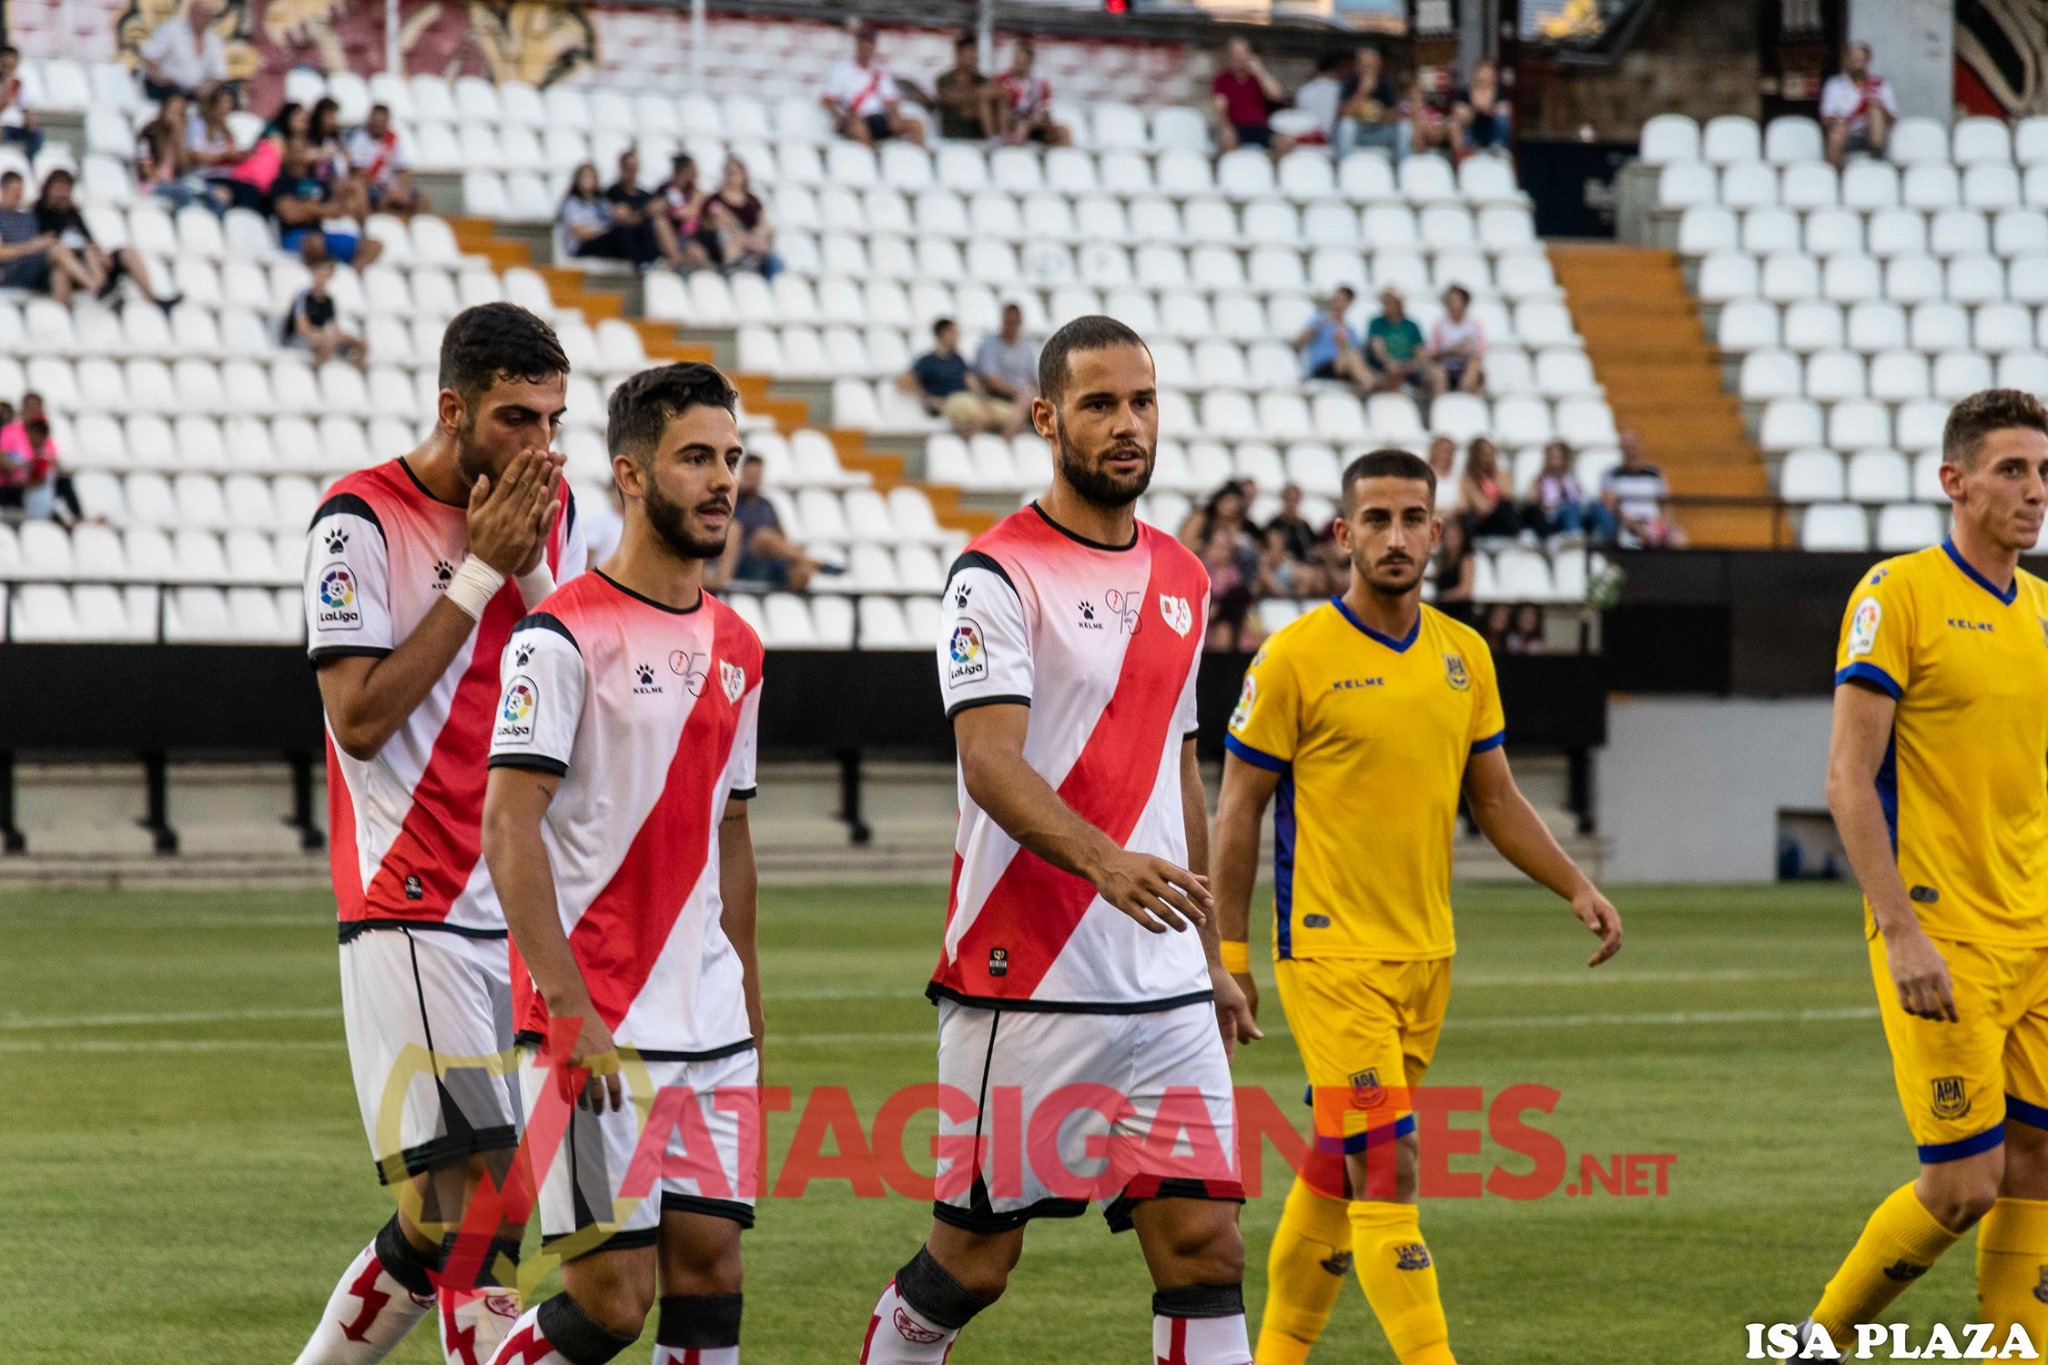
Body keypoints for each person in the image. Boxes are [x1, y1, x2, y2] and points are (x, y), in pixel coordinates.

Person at [855, 314, 1259, 1365]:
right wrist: (1104, 862)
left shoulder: (1183, 576)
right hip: (1022, 976)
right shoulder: (993, 576)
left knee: (1205, 1247)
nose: (1127, 425)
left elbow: (1179, 766)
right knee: (971, 1268)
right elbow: (988, 762)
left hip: (1162, 985)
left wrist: (1209, 953)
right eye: (1098, 405)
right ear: (1044, 418)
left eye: (1141, 401)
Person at [1211, 447, 1621, 1365]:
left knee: (1333, 1164)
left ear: (1438, 530)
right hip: (1328, 956)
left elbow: (1498, 800)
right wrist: (1229, 959)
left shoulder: (1464, 655)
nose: (1394, 536)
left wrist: (1576, 883)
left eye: (1412, 519)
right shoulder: (1295, 658)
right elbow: (1235, 811)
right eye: (1376, 519)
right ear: (1342, 533)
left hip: (1426, 956)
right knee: (1389, 1163)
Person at [293, 303, 586, 1365]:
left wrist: (532, 571)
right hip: (408, 902)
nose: (539, 446)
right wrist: (479, 573)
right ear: (452, 407)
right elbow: (361, 721)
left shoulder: (550, 509)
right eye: (516, 418)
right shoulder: (359, 519)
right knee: (485, 1208)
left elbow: (566, 678)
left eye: (554, 420)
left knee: (438, 1219)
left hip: (506, 907)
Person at [479, 362, 765, 1365]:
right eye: (695, 457)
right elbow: (508, 826)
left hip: (710, 1021)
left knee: (711, 1278)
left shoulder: (741, 644)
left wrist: (749, 1003)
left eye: (731, 458)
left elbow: (730, 832)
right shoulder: (559, 636)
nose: (722, 479)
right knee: (609, 1303)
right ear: (632, 476)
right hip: (592, 1019)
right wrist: (564, 1006)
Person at [1795, 389, 2048, 1358]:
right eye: (2010, 471)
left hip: (2033, 930)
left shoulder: (2038, 609)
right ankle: (1816, 1343)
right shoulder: (1893, 593)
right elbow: (1845, 777)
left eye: (2041, 472)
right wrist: (1899, 928)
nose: (2033, 492)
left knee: (2033, 1163)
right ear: (1953, 482)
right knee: (1959, 1187)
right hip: (1943, 933)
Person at [34, 168, 182, 312]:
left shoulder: (72, 212)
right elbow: (48, 244)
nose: (63, 194)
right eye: (59, 189)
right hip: (73, 265)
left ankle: (153, 299)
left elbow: (88, 238)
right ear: (49, 189)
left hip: (90, 261)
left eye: (66, 190)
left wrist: (101, 253)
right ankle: (99, 289)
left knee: (127, 253)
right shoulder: (39, 212)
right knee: (84, 254)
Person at [711, 452, 823, 591]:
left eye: (756, 476)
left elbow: (781, 537)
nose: (753, 480)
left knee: (802, 571)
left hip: (769, 562)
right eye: (750, 476)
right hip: (740, 560)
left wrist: (793, 551)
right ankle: (810, 560)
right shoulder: (731, 501)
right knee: (763, 537)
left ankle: (792, 605)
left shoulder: (767, 505)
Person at [272, 139, 381, 268]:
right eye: (296, 151)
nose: (301, 154)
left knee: (373, 246)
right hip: (296, 236)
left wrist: (308, 208)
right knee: (316, 243)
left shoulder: (317, 181)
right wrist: (320, 209)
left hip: (322, 235)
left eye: (303, 150)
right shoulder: (282, 182)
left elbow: (336, 210)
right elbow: (290, 215)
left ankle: (351, 276)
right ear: (288, 154)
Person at [821, 25, 926, 148]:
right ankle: (871, 162)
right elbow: (827, 100)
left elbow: (890, 101)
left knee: (915, 124)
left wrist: (896, 117)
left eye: (870, 44)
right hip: (855, 119)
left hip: (879, 118)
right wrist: (841, 117)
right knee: (858, 128)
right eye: (864, 43)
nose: (867, 47)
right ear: (858, 45)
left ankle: (916, 161)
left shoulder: (879, 72)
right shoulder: (842, 71)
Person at [902, 317, 1010, 435]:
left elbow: (972, 383)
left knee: (1012, 416)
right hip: (950, 402)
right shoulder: (928, 361)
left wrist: (985, 401)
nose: (957, 337)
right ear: (943, 334)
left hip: (967, 399)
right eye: (954, 332)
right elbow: (904, 381)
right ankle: (968, 447)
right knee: (981, 417)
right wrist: (928, 399)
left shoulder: (958, 359)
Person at [0, 170, 87, 305]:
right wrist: (30, 247)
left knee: (60, 270)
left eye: (20, 191)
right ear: (3, 191)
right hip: (11, 271)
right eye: (14, 191)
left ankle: (63, 316)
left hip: (35, 268)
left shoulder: (28, 218)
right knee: (56, 250)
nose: (18, 195)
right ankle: (98, 288)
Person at [606, 148, 691, 271]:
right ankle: (674, 259)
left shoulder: (644, 194)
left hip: (646, 237)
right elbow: (622, 218)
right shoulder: (614, 193)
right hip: (627, 240)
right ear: (621, 168)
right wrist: (645, 212)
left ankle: (674, 258)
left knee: (659, 219)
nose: (632, 171)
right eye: (628, 167)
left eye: (634, 167)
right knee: (654, 221)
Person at [137, 92, 221, 215]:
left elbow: (183, 166)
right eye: (172, 112)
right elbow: (146, 171)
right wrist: (166, 182)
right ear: (163, 110)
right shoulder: (149, 133)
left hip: (174, 183)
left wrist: (179, 137)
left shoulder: (177, 137)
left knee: (215, 195)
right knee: (184, 193)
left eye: (179, 113)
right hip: (152, 185)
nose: (175, 117)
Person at [283, 252, 368, 369]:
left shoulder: (329, 300)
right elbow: (301, 329)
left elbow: (334, 328)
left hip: (319, 337)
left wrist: (348, 339)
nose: (321, 277)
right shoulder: (303, 297)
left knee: (362, 345)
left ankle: (351, 371)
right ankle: (318, 371)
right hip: (298, 339)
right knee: (326, 344)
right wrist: (325, 336)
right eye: (319, 272)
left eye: (325, 273)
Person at [1212, 37, 1295, 158]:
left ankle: (1274, 173)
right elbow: (1219, 106)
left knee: (1287, 141)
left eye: (1243, 53)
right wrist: (1225, 127)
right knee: (1226, 138)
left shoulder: (1257, 77)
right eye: (1236, 54)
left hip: (1260, 127)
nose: (1240, 57)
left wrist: (1260, 71)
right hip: (1236, 127)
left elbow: (1277, 95)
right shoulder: (1222, 79)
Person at [700, 156, 781, 278]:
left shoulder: (752, 201)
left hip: (752, 241)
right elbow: (720, 221)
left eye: (735, 173)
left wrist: (758, 233)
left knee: (771, 255)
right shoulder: (715, 200)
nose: (731, 177)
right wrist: (744, 236)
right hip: (728, 242)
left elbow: (763, 222)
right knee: (730, 238)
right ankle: (733, 270)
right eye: (728, 173)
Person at [558, 161, 650, 268]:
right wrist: (604, 231)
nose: (588, 181)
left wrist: (629, 214)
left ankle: (648, 260)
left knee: (638, 228)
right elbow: (580, 233)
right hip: (584, 245)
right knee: (621, 232)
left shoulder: (601, 202)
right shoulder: (572, 203)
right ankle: (641, 264)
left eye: (591, 177)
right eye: (585, 177)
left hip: (604, 239)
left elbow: (614, 218)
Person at [1600, 429, 1683, 547]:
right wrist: (1634, 525)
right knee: (1628, 541)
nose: (1630, 451)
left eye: (1633, 446)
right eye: (1627, 447)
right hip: (1626, 525)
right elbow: (1610, 505)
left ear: (1640, 446)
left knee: (1678, 538)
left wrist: (1663, 524)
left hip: (1653, 523)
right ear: (1621, 448)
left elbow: (1664, 503)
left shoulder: (1654, 472)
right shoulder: (1611, 474)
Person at [1821, 41, 1895, 170]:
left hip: (1872, 136)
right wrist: (1837, 122)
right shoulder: (1834, 85)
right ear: (1846, 61)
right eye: (1853, 60)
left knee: (1876, 112)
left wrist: (1881, 107)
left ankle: (1877, 164)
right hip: (1846, 135)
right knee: (1837, 132)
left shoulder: (1880, 85)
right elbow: (1825, 119)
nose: (1857, 64)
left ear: (1867, 62)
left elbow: (1893, 120)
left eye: (1860, 60)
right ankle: (1834, 176)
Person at [1524, 439, 1614, 541]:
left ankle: (1610, 537)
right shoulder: (1540, 481)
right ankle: (1573, 536)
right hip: (1552, 520)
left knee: (1596, 506)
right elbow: (1532, 504)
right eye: (1552, 457)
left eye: (1558, 458)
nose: (1555, 462)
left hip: (1576, 515)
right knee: (1569, 506)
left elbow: (1581, 499)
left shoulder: (1572, 481)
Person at [138, 0, 227, 102]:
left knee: (225, 94)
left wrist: (208, 88)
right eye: (198, 14)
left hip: (195, 91)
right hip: (168, 88)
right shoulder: (172, 30)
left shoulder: (213, 39)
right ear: (190, 13)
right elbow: (149, 57)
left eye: (205, 15)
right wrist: (160, 78)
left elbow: (219, 73)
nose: (201, 18)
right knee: (175, 93)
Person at [346, 103, 425, 215]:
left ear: (387, 122)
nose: (377, 125)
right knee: (385, 199)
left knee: (422, 199)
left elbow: (404, 170)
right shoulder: (359, 139)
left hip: (391, 186)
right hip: (371, 186)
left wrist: (402, 189)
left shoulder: (394, 139)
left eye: (381, 121)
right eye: (375, 121)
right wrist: (387, 189)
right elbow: (359, 172)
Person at [972, 302, 1037, 439]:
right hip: (1000, 394)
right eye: (1008, 321)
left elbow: (1033, 378)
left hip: (1024, 395)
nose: (1011, 325)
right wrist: (1017, 391)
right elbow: (990, 379)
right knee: (1026, 398)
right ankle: (1005, 440)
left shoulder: (1027, 348)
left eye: (1015, 322)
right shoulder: (989, 345)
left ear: (1020, 323)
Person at [1336, 46, 1409, 162]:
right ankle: (1345, 168)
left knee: (1404, 127)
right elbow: (1344, 115)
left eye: (1372, 65)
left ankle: (1403, 169)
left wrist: (1377, 115)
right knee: (1346, 126)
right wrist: (1362, 92)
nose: (1369, 69)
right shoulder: (1349, 82)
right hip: (1358, 133)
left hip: (1379, 133)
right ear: (1357, 66)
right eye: (1365, 65)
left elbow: (1393, 116)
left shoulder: (1385, 83)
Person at [993, 40, 1069, 147]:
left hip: (1034, 121)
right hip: (1012, 120)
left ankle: (1066, 160)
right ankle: (1015, 154)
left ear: (1029, 63)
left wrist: (1045, 122)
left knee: (1064, 131)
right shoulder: (1002, 79)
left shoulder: (1040, 84)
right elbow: (1000, 106)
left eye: (1022, 62)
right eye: (1016, 61)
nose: (1018, 65)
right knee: (1022, 126)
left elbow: (1045, 109)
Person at [1264, 482, 1331, 598]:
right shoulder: (1276, 524)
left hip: (1305, 565)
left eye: (1295, 499)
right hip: (1285, 567)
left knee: (1323, 579)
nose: (1292, 503)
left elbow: (1315, 547)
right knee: (1306, 577)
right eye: (1289, 499)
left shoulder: (1303, 525)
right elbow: (1276, 553)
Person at [1296, 286, 1370, 391]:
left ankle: (1370, 384)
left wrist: (1343, 343)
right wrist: (1321, 324)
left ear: (1348, 303)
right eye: (1335, 299)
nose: (1336, 303)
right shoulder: (1320, 319)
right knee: (1352, 356)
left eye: (1341, 300)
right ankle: (1371, 386)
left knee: (1354, 355)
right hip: (1322, 367)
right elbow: (1299, 341)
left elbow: (1354, 353)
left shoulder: (1350, 330)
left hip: (1342, 368)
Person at [932, 33, 993, 142]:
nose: (973, 58)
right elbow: (947, 99)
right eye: (969, 53)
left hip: (978, 131)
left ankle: (995, 140)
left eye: (974, 53)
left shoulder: (982, 80)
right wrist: (976, 96)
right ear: (958, 55)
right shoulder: (945, 79)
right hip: (955, 132)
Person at [1426, 285, 1485, 396]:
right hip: (1445, 365)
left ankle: (1463, 393)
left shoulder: (1474, 325)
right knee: (1437, 371)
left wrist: (1463, 353)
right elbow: (1432, 353)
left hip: (1466, 364)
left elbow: (1479, 353)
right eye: (1450, 301)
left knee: (1475, 365)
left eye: (1456, 300)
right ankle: (1442, 402)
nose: (1453, 304)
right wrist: (1452, 350)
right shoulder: (1439, 325)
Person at [1363, 287, 1425, 394]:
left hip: (1409, 367)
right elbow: (1378, 349)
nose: (1386, 305)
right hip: (1385, 367)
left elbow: (1420, 352)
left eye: (1390, 302)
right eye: (1385, 302)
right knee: (1394, 371)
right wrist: (1390, 362)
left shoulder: (1412, 325)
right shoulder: (1376, 323)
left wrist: (1409, 366)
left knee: (1437, 374)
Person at [1458, 437, 1522, 539]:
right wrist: (1497, 502)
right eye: (1484, 455)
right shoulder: (1468, 480)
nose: (1488, 458)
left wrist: (1495, 475)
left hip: (1502, 518)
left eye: (1491, 454)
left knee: (1507, 507)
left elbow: (1510, 497)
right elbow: (1481, 508)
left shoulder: (1502, 474)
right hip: (1484, 522)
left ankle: (1521, 534)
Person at [658, 154, 712, 271]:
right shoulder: (666, 189)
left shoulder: (695, 192)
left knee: (699, 255)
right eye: (693, 171)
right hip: (673, 234)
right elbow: (681, 214)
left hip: (691, 236)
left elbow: (689, 213)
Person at [1452, 58, 1512, 154]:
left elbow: (1505, 110)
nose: (1484, 76)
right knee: (1456, 124)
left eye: (1488, 72)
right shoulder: (1464, 92)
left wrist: (1486, 110)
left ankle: (1498, 148)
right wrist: (1477, 111)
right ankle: (1466, 153)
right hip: (1472, 129)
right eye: (1481, 72)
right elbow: (1460, 112)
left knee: (1503, 120)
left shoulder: (1501, 92)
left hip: (1492, 129)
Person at [1291, 52, 1348, 146]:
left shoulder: (1304, 89)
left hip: (1305, 140)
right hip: (1331, 143)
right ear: (1336, 69)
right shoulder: (1340, 90)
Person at [0, 46, 43, 161]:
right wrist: (7, 86)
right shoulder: (8, 84)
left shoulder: (19, 84)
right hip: (2, 127)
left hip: (14, 127)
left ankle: (28, 163)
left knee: (37, 134)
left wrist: (30, 119)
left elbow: (25, 106)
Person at [1432, 510, 1474, 603]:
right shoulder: (1442, 559)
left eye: (1454, 536)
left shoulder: (1465, 559)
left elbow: (1465, 590)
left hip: (1457, 609)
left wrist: (1442, 597)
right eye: (1448, 536)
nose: (1451, 539)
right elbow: (1436, 576)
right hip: (1441, 608)